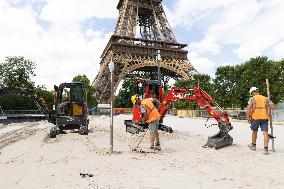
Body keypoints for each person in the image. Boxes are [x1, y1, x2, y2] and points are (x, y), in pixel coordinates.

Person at [246, 87, 277, 155]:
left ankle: (253, 146)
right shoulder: (266, 98)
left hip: (255, 118)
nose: (251, 95)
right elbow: (273, 107)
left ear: (253, 92)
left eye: (251, 93)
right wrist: (270, 104)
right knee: (265, 133)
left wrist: (248, 117)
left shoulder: (252, 99)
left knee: (254, 131)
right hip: (264, 118)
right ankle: (266, 149)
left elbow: (248, 108)